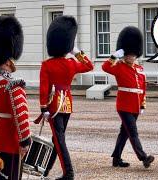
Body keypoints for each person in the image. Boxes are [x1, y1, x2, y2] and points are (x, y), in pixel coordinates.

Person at [38, 16, 94, 179]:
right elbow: (89, 65)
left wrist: (44, 108)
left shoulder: (47, 65)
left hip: (53, 106)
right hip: (67, 105)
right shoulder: (71, 63)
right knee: (57, 140)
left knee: (59, 140)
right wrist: (76, 52)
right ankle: (45, 170)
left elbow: (44, 89)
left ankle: (68, 173)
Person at [102, 26, 154, 168]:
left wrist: (142, 104)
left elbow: (142, 88)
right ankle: (143, 157)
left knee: (124, 133)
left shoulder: (139, 69)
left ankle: (116, 158)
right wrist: (114, 55)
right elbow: (105, 67)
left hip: (135, 106)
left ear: (136, 54)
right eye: (128, 54)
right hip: (124, 105)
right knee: (132, 132)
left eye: (132, 55)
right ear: (124, 54)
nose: (130, 57)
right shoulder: (119, 66)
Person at [0, 16, 31, 180]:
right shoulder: (12, 84)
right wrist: (25, 141)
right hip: (9, 146)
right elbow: (21, 115)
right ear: (6, 61)